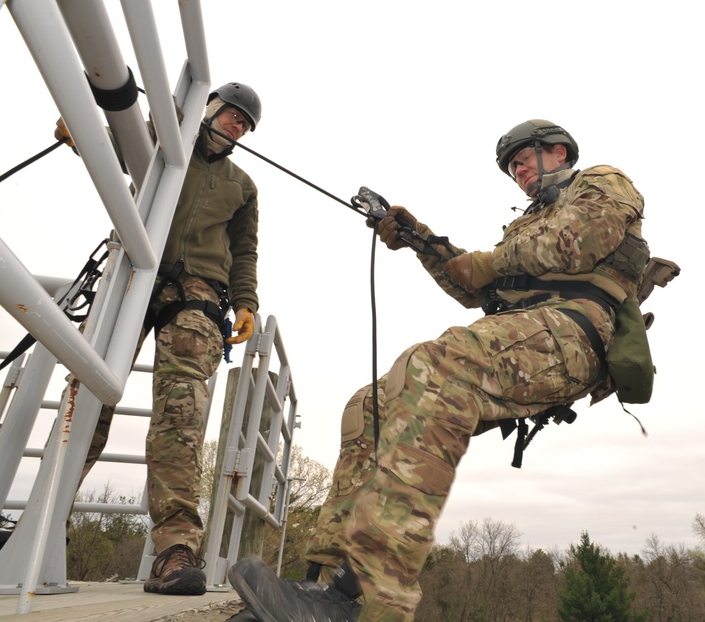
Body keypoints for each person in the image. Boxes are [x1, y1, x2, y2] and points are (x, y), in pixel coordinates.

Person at [226, 119, 653, 622]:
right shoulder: (522, 227)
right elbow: (473, 285)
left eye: (524, 160)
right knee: (368, 406)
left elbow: (573, 243)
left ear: (557, 152)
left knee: (436, 362)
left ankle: (372, 598)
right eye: (512, 168)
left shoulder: (603, 182)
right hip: (524, 332)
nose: (518, 172)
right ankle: (324, 588)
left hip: (574, 333)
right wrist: (417, 238)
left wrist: (485, 261)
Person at [55, 82, 263, 596]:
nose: (236, 126)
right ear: (208, 107)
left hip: (196, 293)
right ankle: (43, 522)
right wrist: (79, 132)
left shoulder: (242, 186)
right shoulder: (159, 141)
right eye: (231, 114)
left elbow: (245, 253)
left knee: (181, 417)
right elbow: (114, 144)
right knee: (87, 394)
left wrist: (247, 303)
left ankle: (175, 548)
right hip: (130, 273)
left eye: (245, 124)